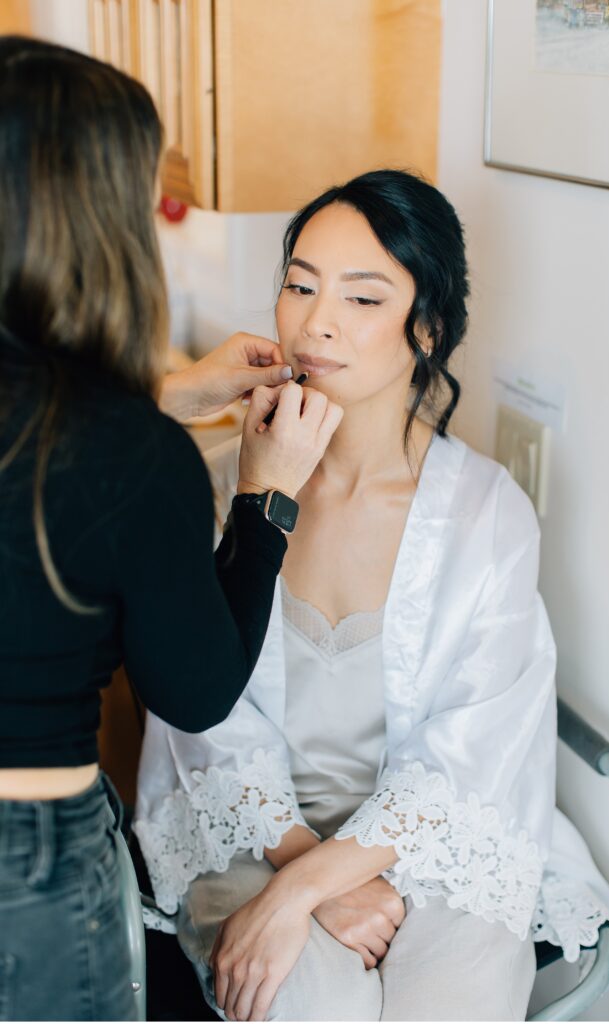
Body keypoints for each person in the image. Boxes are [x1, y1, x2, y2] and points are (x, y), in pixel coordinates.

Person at [136, 170, 609, 1022]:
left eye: (362, 299)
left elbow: (474, 749)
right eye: (299, 285)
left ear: (426, 328)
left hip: (435, 841)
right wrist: (296, 872)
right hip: (249, 831)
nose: (315, 322)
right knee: (306, 1005)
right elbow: (200, 721)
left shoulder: (485, 515)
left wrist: (310, 890)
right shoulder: (217, 490)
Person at [0, 36, 342, 1023]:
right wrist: (265, 495)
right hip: (29, 860)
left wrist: (174, 391)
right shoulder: (133, 458)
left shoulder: (119, 441)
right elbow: (194, 691)